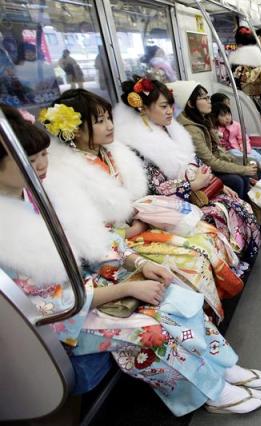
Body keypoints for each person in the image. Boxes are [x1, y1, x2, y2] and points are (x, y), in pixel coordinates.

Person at [0, 104, 261, 416]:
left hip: (88, 285)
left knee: (175, 295)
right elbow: (48, 304)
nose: (42, 165)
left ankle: (222, 364)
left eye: (43, 155)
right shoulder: (7, 232)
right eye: (30, 160)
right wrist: (126, 290)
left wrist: (141, 265)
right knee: (151, 329)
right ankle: (208, 391)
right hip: (63, 318)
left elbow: (97, 240)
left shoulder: (41, 192)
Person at [42, 89, 244, 319]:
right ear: (74, 130)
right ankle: (204, 313)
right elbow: (88, 232)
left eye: (109, 118)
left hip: (139, 222)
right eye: (100, 121)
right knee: (193, 258)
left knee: (208, 236)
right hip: (115, 242)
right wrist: (135, 227)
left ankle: (215, 304)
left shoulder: (114, 152)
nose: (110, 125)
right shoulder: (67, 172)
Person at [114, 77, 261, 264]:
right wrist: (190, 185)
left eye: (170, 106)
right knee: (222, 212)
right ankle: (232, 263)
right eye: (164, 107)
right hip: (172, 203)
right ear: (143, 108)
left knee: (238, 204)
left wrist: (216, 184)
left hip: (194, 190)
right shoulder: (138, 145)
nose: (170, 112)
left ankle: (239, 260)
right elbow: (154, 188)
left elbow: (197, 161)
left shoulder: (171, 130)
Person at [168, 81, 257, 201]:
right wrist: (241, 169)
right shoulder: (192, 129)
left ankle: (247, 210)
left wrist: (238, 166)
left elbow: (217, 150)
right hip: (202, 171)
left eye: (208, 97)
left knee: (244, 175)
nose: (209, 100)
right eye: (204, 98)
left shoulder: (203, 120)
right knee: (238, 180)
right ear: (190, 103)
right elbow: (209, 161)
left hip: (211, 166)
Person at [229, 27, 261, 140]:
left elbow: (234, 86)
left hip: (244, 100)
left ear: (238, 43)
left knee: (248, 130)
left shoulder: (236, 61)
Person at [210, 92, 261, 172]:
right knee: (236, 154)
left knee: (255, 154)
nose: (227, 118)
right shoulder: (214, 128)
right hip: (228, 151)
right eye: (223, 115)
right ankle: (256, 164)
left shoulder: (235, 125)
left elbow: (243, 138)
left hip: (239, 148)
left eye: (228, 114)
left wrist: (245, 149)